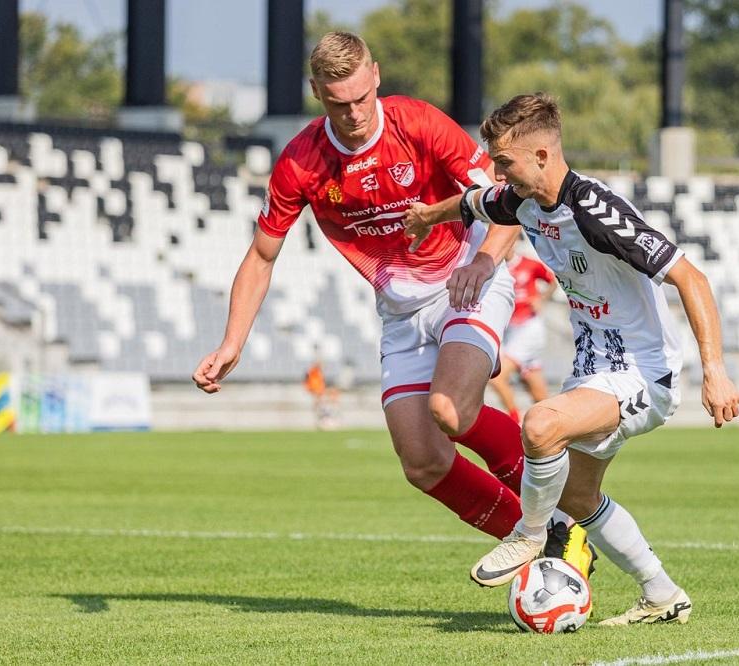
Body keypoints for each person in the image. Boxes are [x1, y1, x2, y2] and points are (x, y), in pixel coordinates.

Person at [191, 33, 589, 569]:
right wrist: (231, 341)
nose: (354, 113)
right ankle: (548, 542)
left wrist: (483, 261)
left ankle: (564, 511)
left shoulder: (419, 123)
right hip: (400, 310)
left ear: (375, 75)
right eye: (338, 103)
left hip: (467, 281)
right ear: (316, 92)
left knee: (450, 409)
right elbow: (262, 256)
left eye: (361, 97)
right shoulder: (301, 163)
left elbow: (506, 198)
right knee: (422, 461)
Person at [407, 93, 739, 625]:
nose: (499, 172)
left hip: (643, 371)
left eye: (506, 161)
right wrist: (429, 215)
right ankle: (661, 593)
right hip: (593, 369)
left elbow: (691, 277)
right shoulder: (522, 200)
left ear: (543, 155)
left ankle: (528, 535)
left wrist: (717, 372)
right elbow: (476, 202)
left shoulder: (597, 211)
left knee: (541, 423)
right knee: (580, 494)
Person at [489, 245, 555, 423]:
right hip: (510, 330)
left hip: (529, 328)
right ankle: (560, 424)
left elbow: (553, 279)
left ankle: (514, 421)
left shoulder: (530, 264)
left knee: (496, 377)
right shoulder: (494, 269)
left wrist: (542, 299)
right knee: (539, 395)